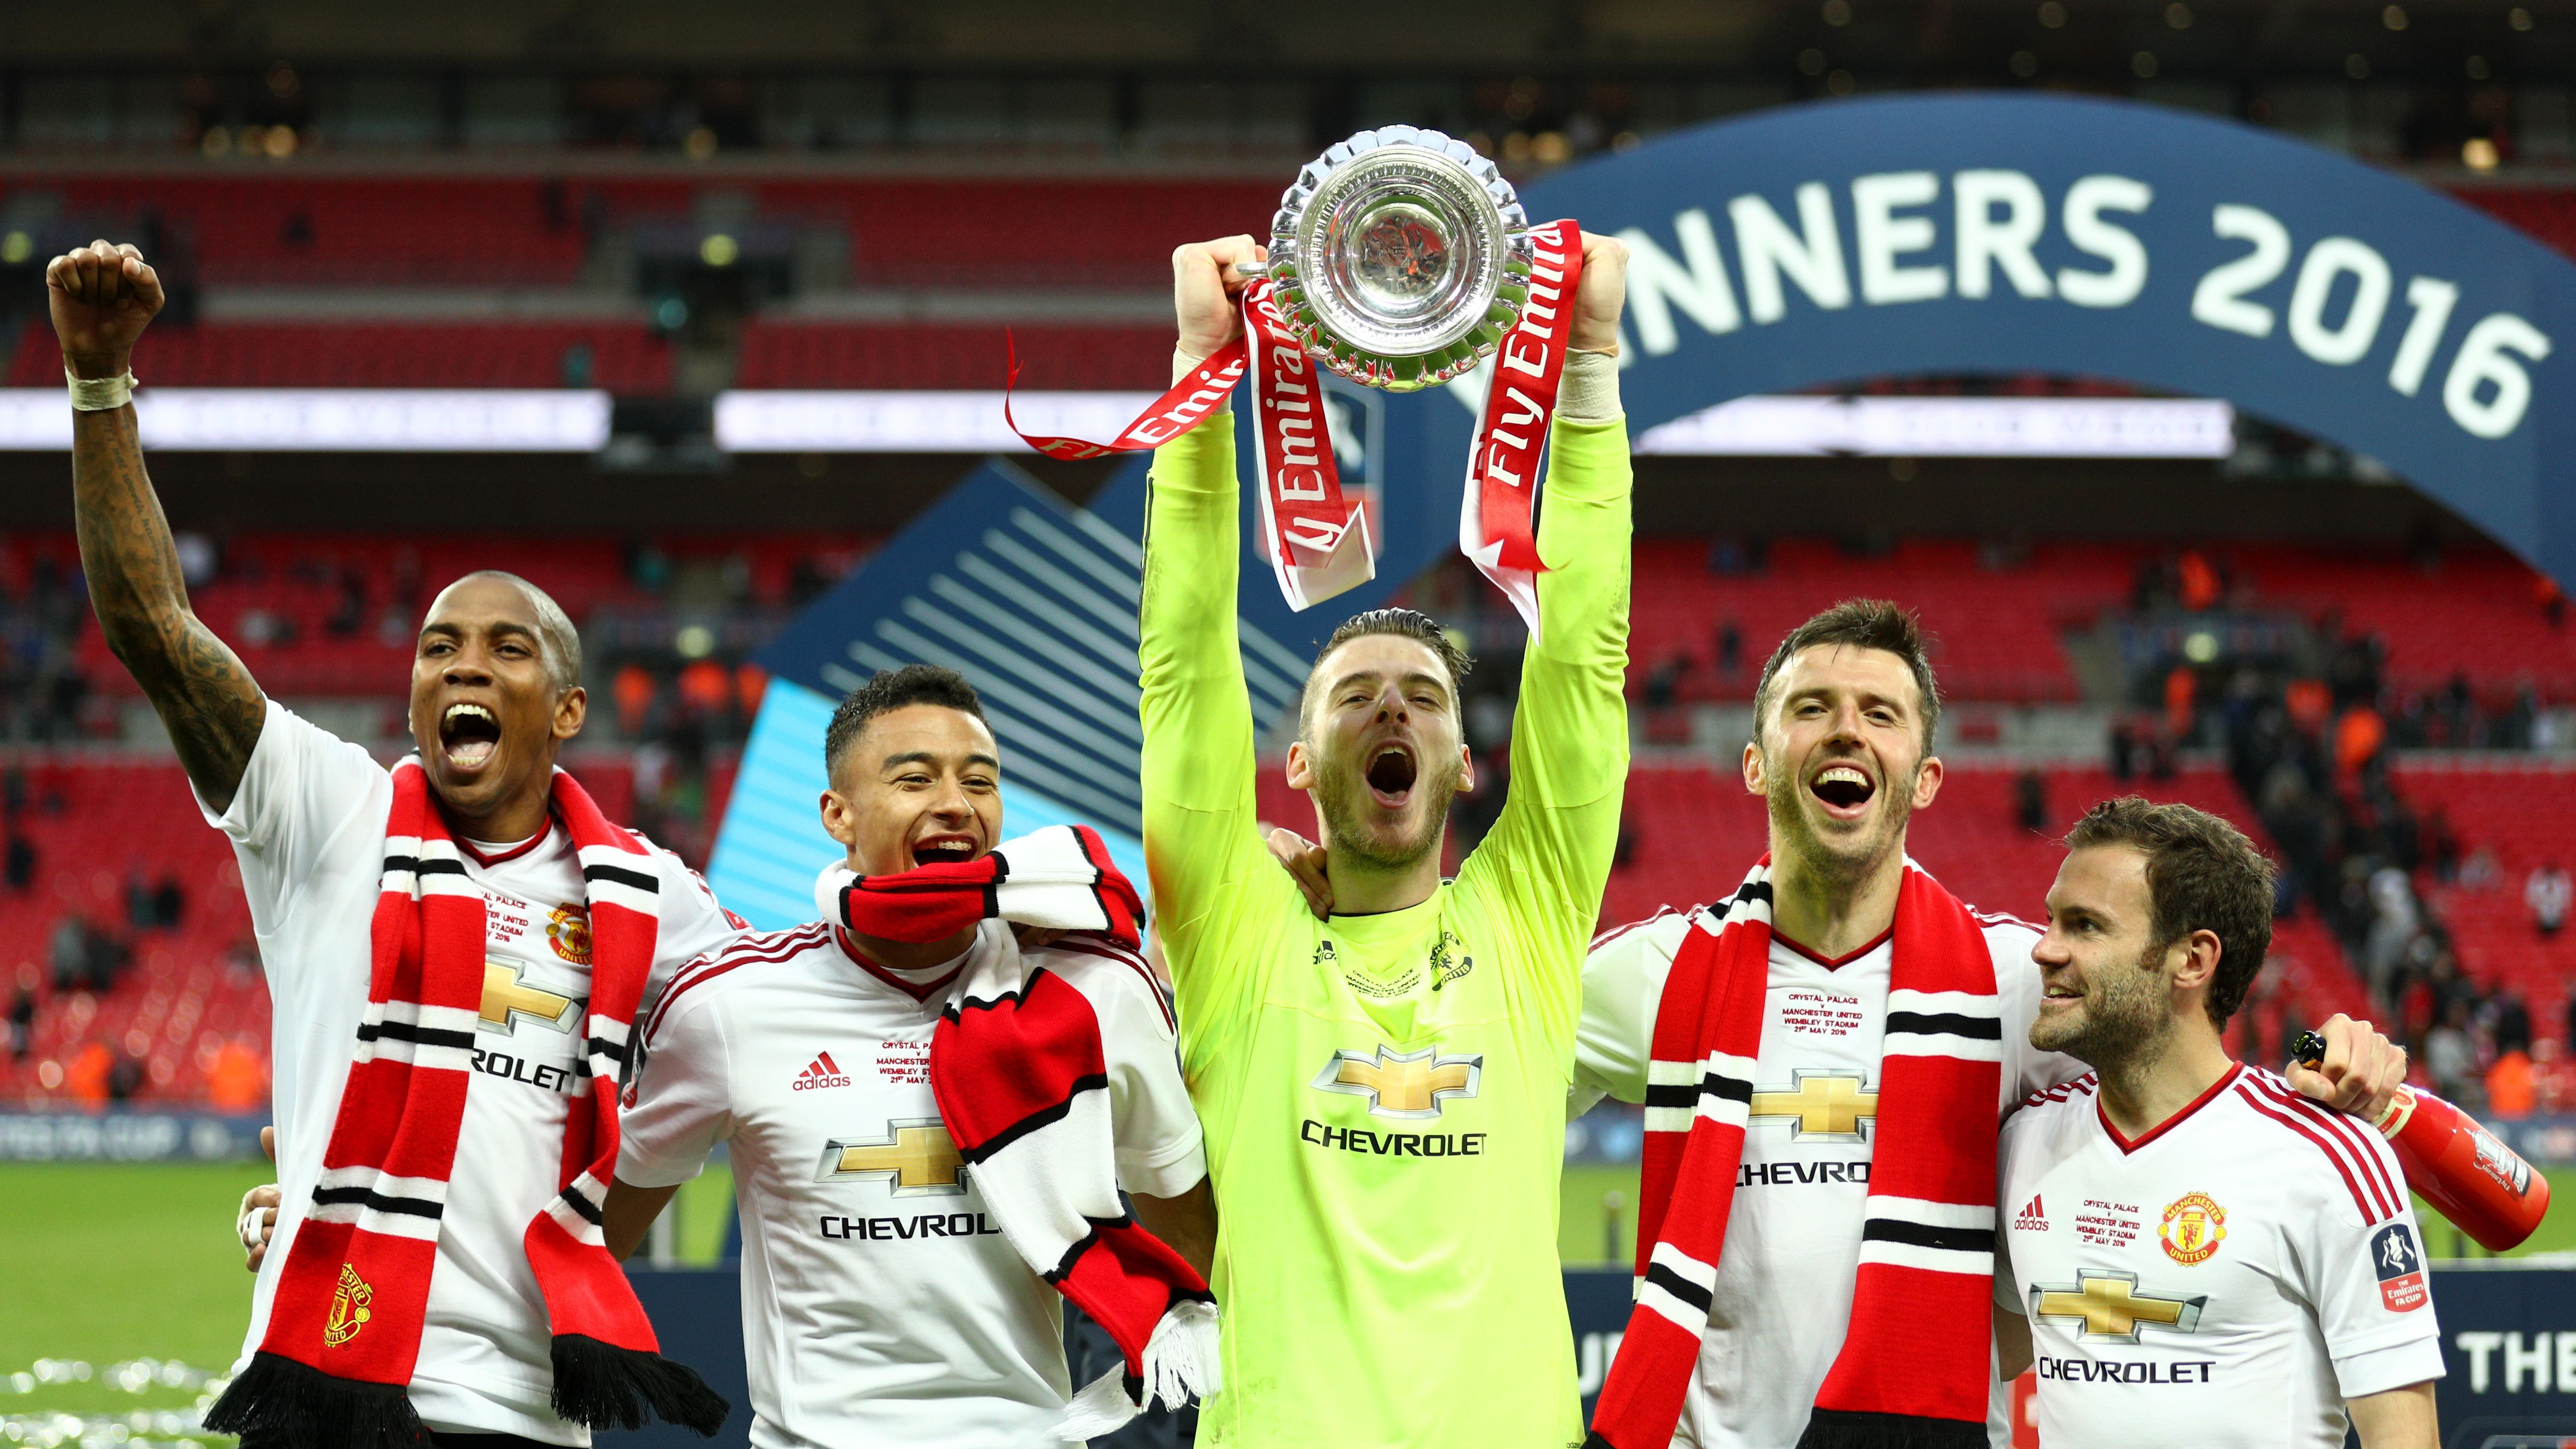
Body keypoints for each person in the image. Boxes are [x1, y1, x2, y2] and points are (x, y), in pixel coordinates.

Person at [1272, 602, 2404, 1449]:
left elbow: (2190, 1074)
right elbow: (1439, 1035)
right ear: (1758, 761)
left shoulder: (2020, 981)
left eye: (1880, 713)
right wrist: (1325, 907)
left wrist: (2345, 1058)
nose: (1844, 730)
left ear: (1926, 774)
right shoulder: (1653, 975)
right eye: (1809, 708)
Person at [48, 238, 740, 1447]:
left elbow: (776, 1035)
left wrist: (603, 1221)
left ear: (569, 711)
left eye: (505, 648)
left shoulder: (654, 899)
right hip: (330, 1396)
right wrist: (101, 387)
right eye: (436, 645)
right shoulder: (334, 815)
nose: (463, 661)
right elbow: (156, 629)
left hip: (528, 1409)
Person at [1142, 230, 1634, 1448]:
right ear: (1294, 762)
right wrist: (1202, 371)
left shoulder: (1524, 919)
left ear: (1467, 764)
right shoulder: (1231, 932)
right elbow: (1184, 661)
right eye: (1351, 693)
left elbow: (1584, 655)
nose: (1391, 706)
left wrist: (1588, 368)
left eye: (1423, 693)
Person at [597, 665, 1217, 1447]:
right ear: (838, 814)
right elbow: (598, 1231)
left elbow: (1186, 1233)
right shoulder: (731, 1009)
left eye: (979, 780)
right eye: (915, 778)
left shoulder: (1093, 993)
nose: (955, 802)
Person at [1995, 798, 2441, 1448]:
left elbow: (2403, 1439)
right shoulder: (2023, 1142)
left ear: (2192, 959)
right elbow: (1984, 1357)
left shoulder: (2328, 1155)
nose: (2043, 949)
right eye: (2051, 920)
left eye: (2085, 926)